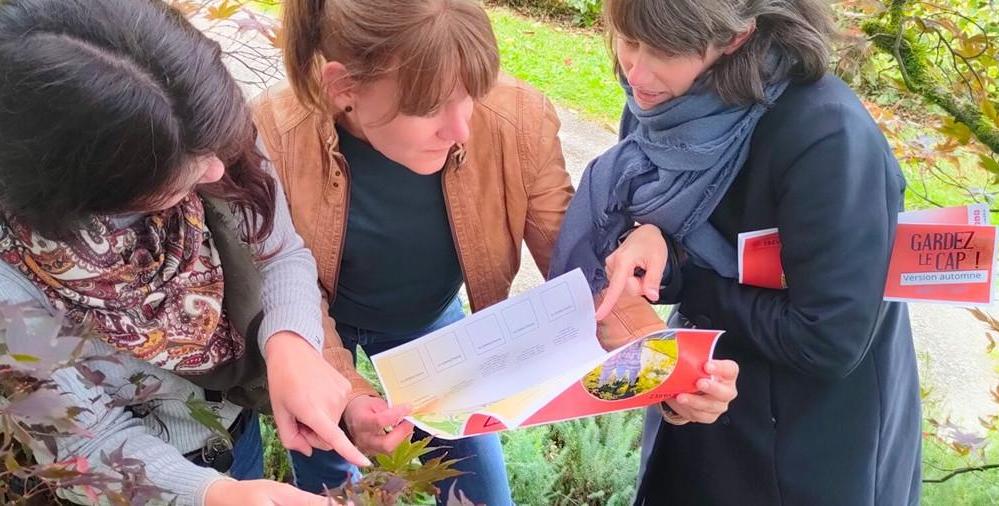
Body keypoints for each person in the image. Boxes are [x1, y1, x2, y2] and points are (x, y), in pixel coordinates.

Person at [252, 0, 740, 502]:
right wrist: (352, 397)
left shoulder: (517, 119)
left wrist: (668, 368)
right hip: (312, 329)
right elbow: (287, 283)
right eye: (430, 108)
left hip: (430, 323)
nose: (461, 128)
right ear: (343, 87)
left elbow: (581, 269)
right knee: (329, 484)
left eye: (471, 95)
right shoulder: (276, 134)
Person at [0, 0, 375, 503]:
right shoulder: (10, 288)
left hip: (233, 430)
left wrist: (291, 343)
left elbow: (280, 253)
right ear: (80, 191)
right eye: (176, 175)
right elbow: (84, 444)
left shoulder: (200, 121)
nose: (218, 172)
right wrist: (215, 495)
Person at [549, 0, 922, 504]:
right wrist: (652, 247)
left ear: (736, 38)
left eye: (663, 49)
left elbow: (830, 339)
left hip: (804, 451)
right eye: (627, 39)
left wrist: (691, 278)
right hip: (701, 406)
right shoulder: (661, 103)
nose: (636, 70)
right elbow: (676, 249)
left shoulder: (827, 137)